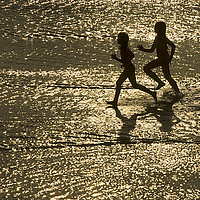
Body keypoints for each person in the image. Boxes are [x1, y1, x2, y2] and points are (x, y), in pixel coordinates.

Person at [107, 32, 157, 107]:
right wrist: (126, 62)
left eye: (119, 39)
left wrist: (116, 58)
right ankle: (152, 93)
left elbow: (124, 60)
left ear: (122, 40)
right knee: (135, 85)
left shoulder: (124, 49)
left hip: (129, 69)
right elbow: (132, 55)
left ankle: (115, 101)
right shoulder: (125, 48)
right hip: (129, 67)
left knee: (119, 83)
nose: (117, 40)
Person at [137, 21, 182, 96]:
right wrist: (143, 49)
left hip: (164, 59)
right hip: (162, 59)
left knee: (146, 68)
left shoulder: (163, 38)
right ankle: (177, 92)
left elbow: (173, 46)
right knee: (167, 76)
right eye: (155, 27)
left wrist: (170, 58)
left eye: (157, 27)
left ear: (161, 29)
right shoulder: (157, 38)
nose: (155, 28)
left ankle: (161, 83)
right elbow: (152, 50)